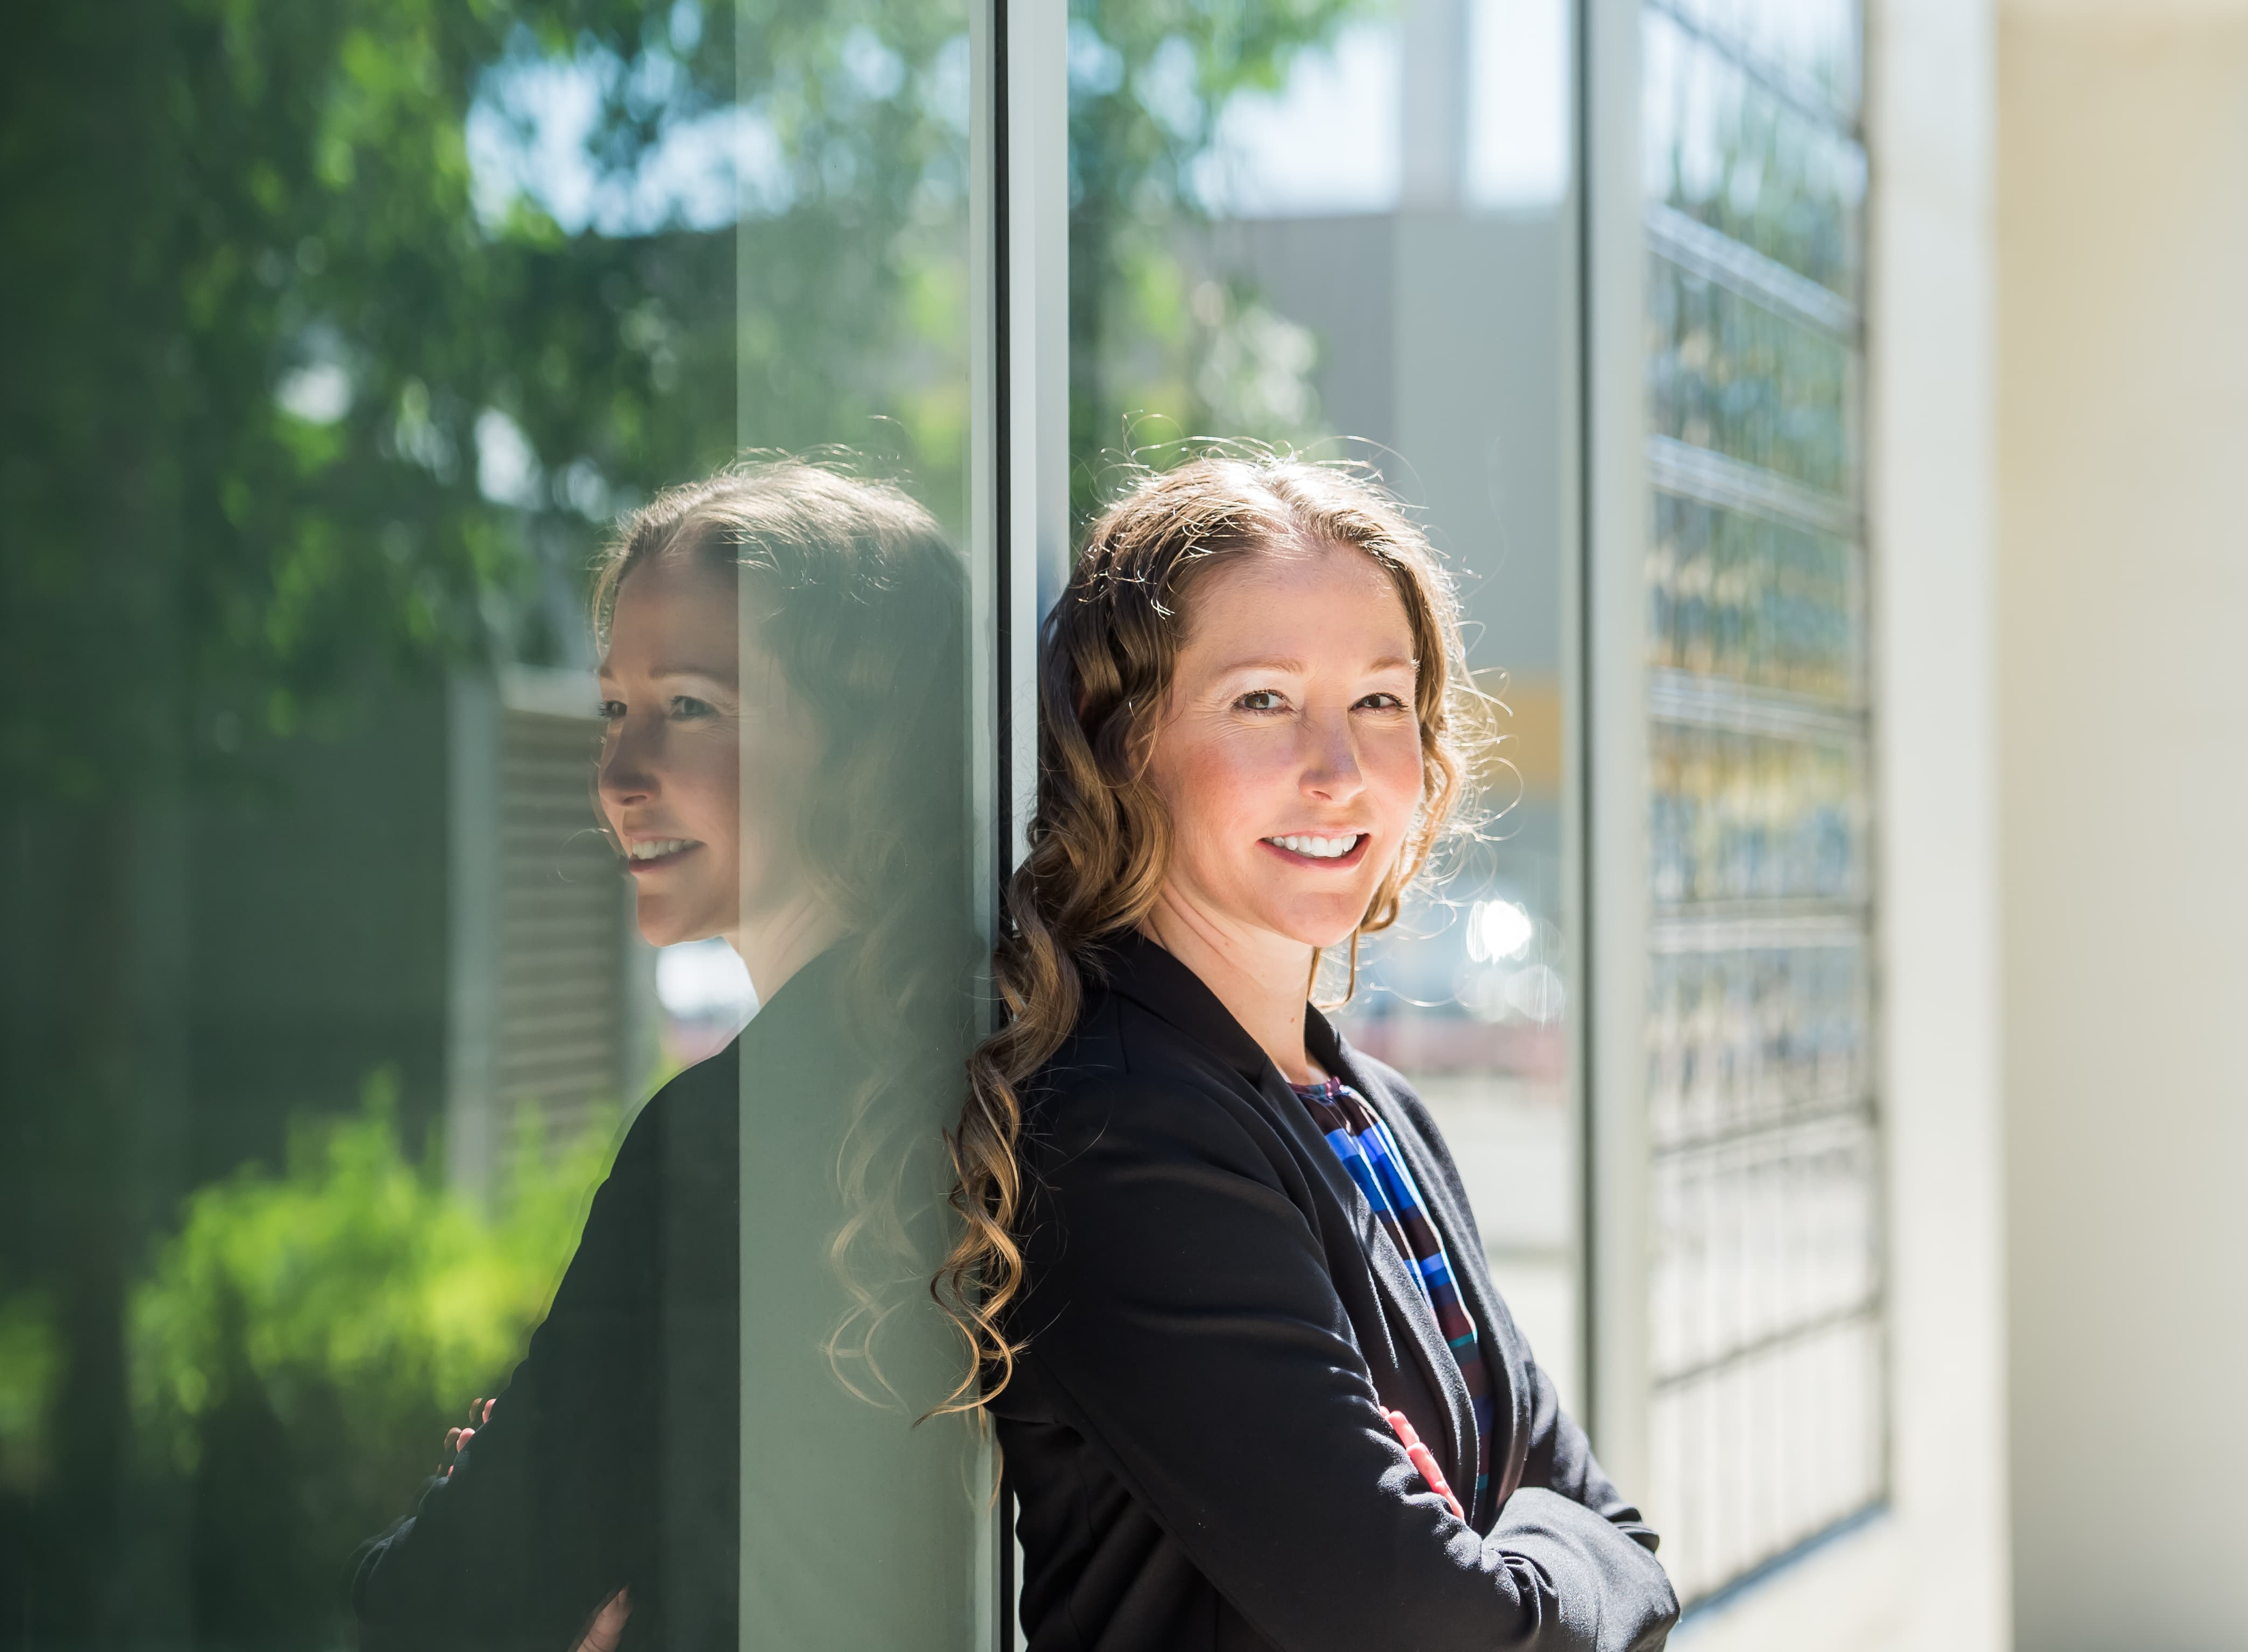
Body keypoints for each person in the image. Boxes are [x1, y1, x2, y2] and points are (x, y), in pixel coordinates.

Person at [943, 455, 1681, 1651]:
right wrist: (1537, 1552)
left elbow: (1626, 1539)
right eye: (1262, 701)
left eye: (1380, 702)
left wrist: (1528, 1556)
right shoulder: (1127, 1131)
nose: (1338, 771)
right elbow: (1437, 1623)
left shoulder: (1375, 1108)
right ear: (1121, 740)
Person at [354, 457, 982, 1652]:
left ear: (862, 741)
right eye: (612, 709)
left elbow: (435, 1598)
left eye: (688, 706)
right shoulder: (1004, 1039)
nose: (618, 775)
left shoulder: (729, 1144)